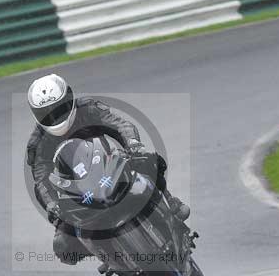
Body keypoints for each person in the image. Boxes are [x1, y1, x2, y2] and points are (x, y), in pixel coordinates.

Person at [26, 74, 190, 265]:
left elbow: (120, 124)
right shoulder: (37, 143)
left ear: (69, 99)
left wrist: (133, 144)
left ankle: (170, 201)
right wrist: (52, 205)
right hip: (75, 189)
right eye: (46, 115)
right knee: (63, 247)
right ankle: (102, 250)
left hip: (109, 164)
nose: (55, 118)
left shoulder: (87, 109)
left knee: (148, 160)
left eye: (60, 109)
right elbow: (41, 179)